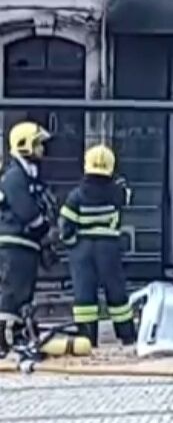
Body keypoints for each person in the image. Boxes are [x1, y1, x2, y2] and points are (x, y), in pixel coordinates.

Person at [59, 144, 136, 347]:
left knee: (84, 295)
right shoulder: (117, 192)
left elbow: (65, 226)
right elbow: (128, 197)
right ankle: (127, 335)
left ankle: (87, 338)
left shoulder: (76, 195)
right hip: (108, 248)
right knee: (116, 291)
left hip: (82, 249)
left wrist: (71, 244)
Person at [0, 121, 54, 355]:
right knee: (12, 292)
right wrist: (44, 231)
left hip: (27, 245)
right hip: (14, 243)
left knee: (24, 293)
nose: (42, 149)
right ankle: (2, 339)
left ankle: (20, 334)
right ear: (24, 146)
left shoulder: (30, 175)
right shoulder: (14, 177)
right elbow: (26, 211)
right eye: (38, 144)